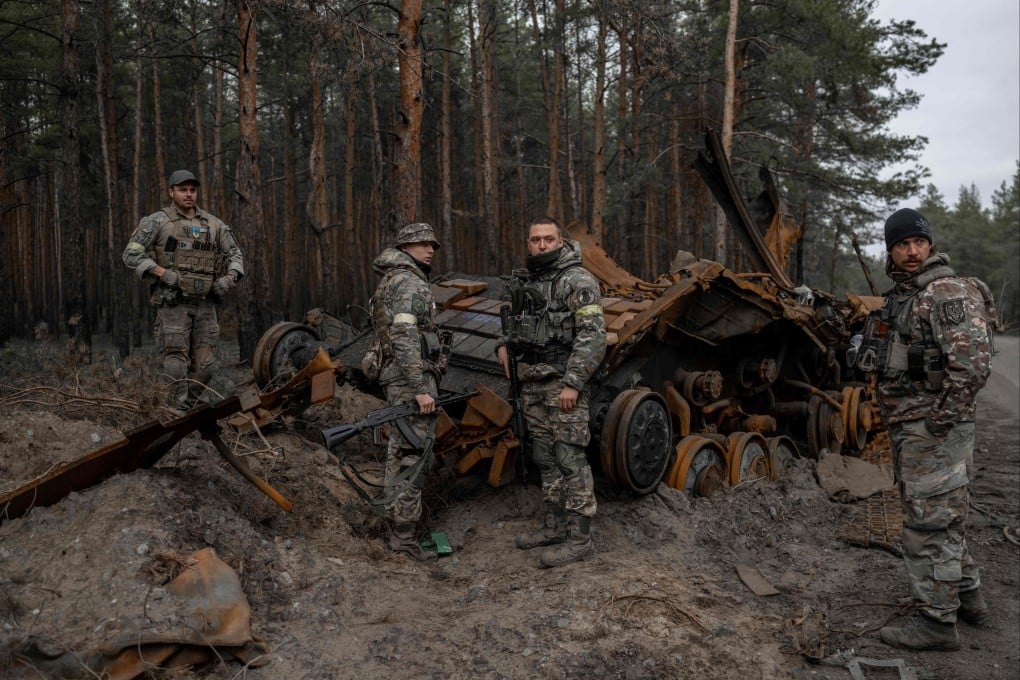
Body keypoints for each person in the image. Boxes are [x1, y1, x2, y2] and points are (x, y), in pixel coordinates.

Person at [854, 208, 995, 651]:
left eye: (918, 242)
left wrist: (938, 421)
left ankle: (936, 623)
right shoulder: (907, 295)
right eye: (901, 244)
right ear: (890, 251)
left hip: (931, 428)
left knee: (927, 525)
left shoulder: (945, 291)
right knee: (941, 517)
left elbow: (971, 369)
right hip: (916, 426)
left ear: (930, 245)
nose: (912, 251)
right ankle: (969, 599)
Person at [497, 217, 606, 568]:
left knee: (569, 459)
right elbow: (515, 323)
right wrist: (502, 345)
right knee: (545, 458)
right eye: (535, 240)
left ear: (561, 242)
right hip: (532, 384)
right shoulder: (529, 281)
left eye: (548, 239)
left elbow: (593, 335)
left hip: (562, 383)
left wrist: (574, 382)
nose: (541, 245)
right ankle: (554, 525)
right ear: (527, 243)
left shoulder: (577, 280)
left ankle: (580, 539)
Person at [122, 170, 244, 410]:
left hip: (206, 305)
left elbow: (235, 254)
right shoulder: (157, 221)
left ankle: (193, 406)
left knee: (207, 365)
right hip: (173, 305)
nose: (189, 194)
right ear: (171, 192)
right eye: (182, 189)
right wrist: (162, 273)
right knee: (176, 363)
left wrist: (229, 278)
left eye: (192, 190)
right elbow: (131, 254)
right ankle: (174, 411)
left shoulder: (213, 224)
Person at [370, 222, 444, 560]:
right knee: (414, 453)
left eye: (432, 244)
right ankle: (403, 536)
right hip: (409, 379)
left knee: (400, 451)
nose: (430, 249)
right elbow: (403, 335)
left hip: (399, 375)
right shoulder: (408, 281)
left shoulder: (393, 278)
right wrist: (420, 388)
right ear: (404, 247)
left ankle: (396, 526)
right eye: (422, 244)